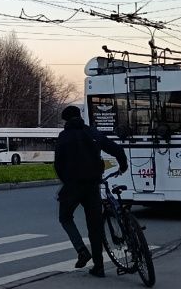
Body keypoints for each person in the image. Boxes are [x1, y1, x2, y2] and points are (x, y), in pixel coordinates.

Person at [53, 105, 127, 278]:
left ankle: (81, 250)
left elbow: (58, 164)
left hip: (72, 185)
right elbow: (117, 150)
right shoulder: (93, 133)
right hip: (93, 184)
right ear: (80, 116)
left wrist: (67, 182)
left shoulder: (63, 137)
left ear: (65, 120)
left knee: (65, 217)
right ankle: (99, 267)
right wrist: (123, 166)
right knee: (94, 226)